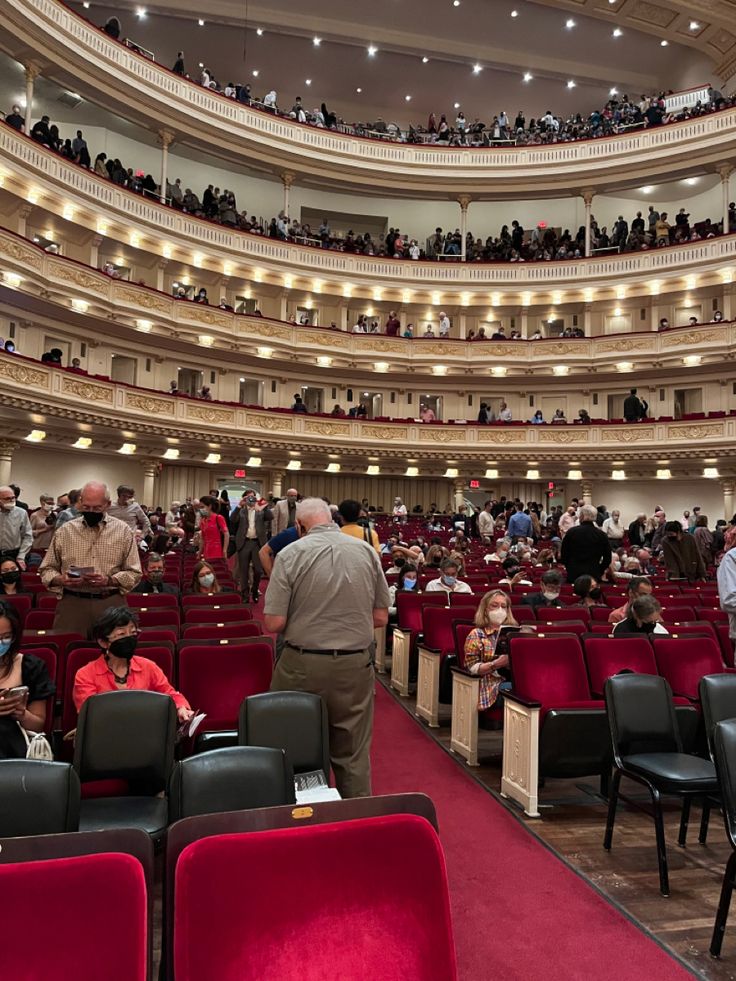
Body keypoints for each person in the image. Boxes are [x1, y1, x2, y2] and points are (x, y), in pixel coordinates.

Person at [264, 498, 390, 798]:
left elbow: (274, 622)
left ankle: (299, 821)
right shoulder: (366, 552)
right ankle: (355, 826)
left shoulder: (291, 553)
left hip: (301, 665)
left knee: (290, 746)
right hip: (354, 665)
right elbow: (381, 616)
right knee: (353, 755)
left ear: (299, 526)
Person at [39, 481, 141, 636]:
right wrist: (61, 579)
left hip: (111, 602)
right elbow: (46, 569)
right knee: (69, 652)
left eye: (97, 508)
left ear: (107, 504)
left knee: (113, 654)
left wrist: (109, 580)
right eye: (86, 507)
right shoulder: (65, 531)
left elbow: (135, 573)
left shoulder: (123, 531)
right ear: (80, 502)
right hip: (72, 604)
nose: (91, 511)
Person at [73, 607, 193, 722]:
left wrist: (181, 708)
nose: (129, 639)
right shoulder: (86, 674)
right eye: (121, 634)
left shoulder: (148, 666)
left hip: (146, 733)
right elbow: (91, 714)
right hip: (105, 736)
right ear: (103, 642)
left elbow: (170, 694)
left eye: (133, 633)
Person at [0, 601, 55, 759]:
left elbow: (38, 725)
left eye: (6, 637)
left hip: (16, 747)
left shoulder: (32, 667)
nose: (1, 643)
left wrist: (22, 714)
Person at [463, 590, 517, 710]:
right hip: (490, 686)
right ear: (485, 609)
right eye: (494, 605)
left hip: (513, 679)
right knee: (517, 691)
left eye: (504, 606)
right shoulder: (477, 634)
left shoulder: (513, 633)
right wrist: (496, 664)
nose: (500, 610)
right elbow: (471, 668)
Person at [231, 491, 270, 602]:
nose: (251, 500)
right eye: (248, 498)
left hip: (257, 543)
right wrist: (239, 505)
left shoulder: (260, 510)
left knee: (258, 570)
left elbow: (270, 517)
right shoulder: (242, 511)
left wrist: (263, 505)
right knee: (243, 571)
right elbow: (233, 519)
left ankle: (255, 589)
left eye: (253, 497)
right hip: (244, 543)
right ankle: (245, 594)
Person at [560, 504, 612, 584]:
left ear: (582, 516)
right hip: (593, 574)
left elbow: (564, 554)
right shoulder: (601, 535)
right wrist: (599, 570)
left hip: (574, 573)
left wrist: (569, 567)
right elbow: (607, 558)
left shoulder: (571, 532)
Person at [0, 485, 32, 568]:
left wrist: (21, 555)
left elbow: (28, 536)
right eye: (7, 498)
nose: (11, 500)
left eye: (13, 498)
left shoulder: (22, 513)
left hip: (14, 555)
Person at [195, 495, 229, 561]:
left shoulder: (218, 518)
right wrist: (199, 553)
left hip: (217, 551)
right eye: (200, 507)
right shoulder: (203, 521)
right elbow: (202, 538)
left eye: (202, 507)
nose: (201, 509)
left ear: (210, 506)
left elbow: (226, 534)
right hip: (206, 552)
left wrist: (225, 550)